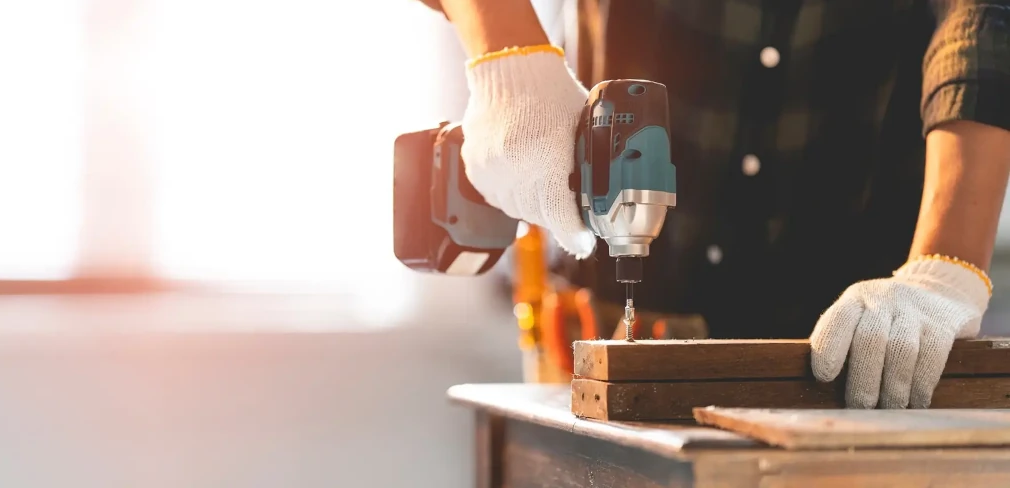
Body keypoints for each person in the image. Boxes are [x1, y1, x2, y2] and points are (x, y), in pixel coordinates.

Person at [421, 0, 1010, 409]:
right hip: (601, 315)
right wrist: (510, 64)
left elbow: (984, 22)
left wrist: (944, 265)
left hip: (856, 332)